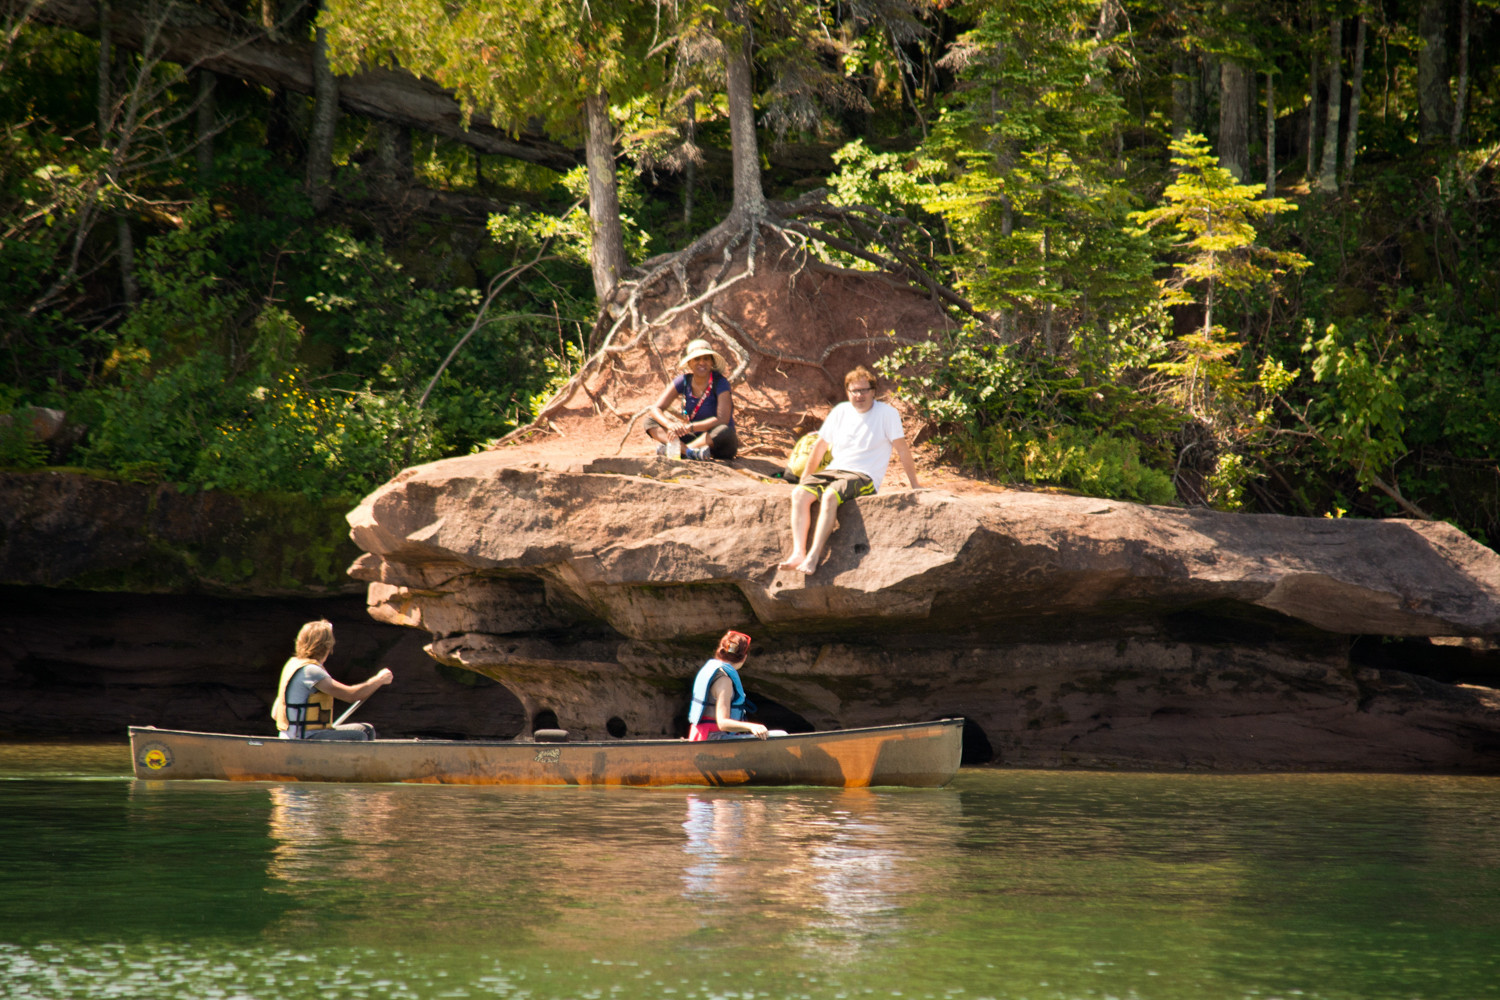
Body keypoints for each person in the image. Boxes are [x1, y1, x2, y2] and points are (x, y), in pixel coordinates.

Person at [778, 365, 921, 575]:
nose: (859, 395)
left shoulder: (887, 414)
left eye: (864, 390)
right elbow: (820, 446)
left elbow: (902, 449)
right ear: (848, 392)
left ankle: (814, 556)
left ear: (873, 391)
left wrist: (915, 484)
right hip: (835, 469)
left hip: (863, 475)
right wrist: (806, 478)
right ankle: (798, 552)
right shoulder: (841, 411)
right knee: (799, 494)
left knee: (829, 496)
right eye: (855, 390)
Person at [270, 620, 394, 741]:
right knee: (358, 737)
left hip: (302, 735)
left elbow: (275, 713)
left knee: (366, 730)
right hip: (302, 738)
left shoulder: (293, 664)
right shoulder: (311, 671)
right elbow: (352, 695)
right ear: (327, 646)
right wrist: (379, 679)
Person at [645, 338, 739, 461]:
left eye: (706, 358)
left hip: (716, 441)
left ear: (712, 362)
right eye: (697, 359)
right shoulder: (683, 381)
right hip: (694, 437)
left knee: (724, 430)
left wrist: (690, 427)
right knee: (650, 421)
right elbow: (656, 409)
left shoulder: (721, 382)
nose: (702, 362)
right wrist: (671, 425)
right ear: (690, 363)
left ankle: (680, 450)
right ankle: (690, 452)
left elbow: (723, 419)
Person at [686, 630, 768, 741]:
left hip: (700, 734)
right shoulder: (724, 681)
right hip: (713, 738)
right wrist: (752, 726)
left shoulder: (710, 670)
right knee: (780, 734)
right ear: (744, 657)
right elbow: (722, 723)